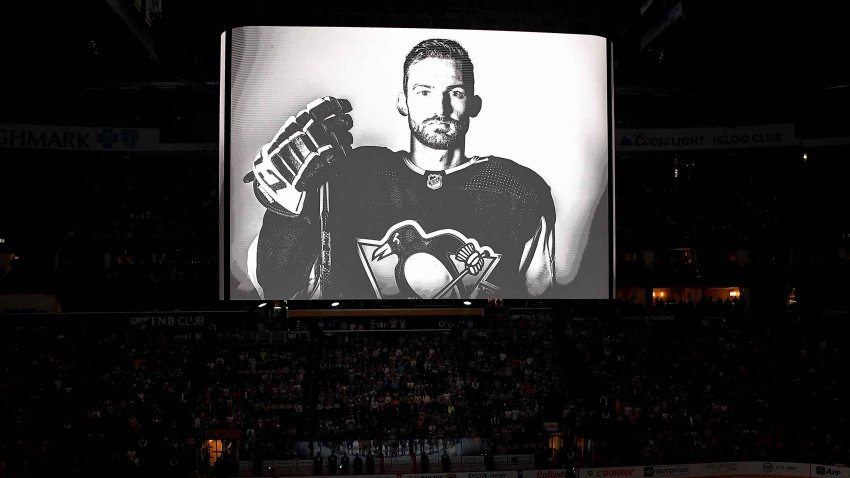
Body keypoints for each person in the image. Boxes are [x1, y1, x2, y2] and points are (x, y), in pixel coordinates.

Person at [246, 38, 556, 300]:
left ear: (473, 104)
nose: (441, 108)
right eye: (424, 92)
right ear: (402, 102)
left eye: (455, 93)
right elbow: (277, 288)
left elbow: (540, 299)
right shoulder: (348, 175)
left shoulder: (519, 191)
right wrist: (285, 209)